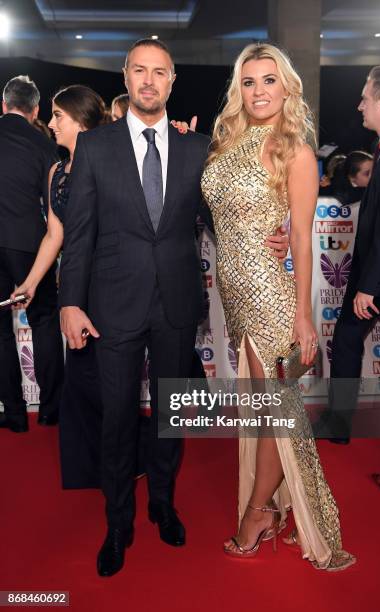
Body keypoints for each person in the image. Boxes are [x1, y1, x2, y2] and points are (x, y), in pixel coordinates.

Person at [57, 38, 217, 578]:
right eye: (140, 71)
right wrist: (70, 303)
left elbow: (225, 220)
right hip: (112, 303)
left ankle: (163, 504)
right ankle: (117, 522)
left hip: (174, 300)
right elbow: (78, 235)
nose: (149, 81)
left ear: (172, 82)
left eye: (160, 73)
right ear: (125, 76)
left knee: (171, 416)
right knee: (118, 419)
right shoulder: (95, 147)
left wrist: (277, 240)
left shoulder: (197, 148)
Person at [201, 43, 355, 570]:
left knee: (274, 410)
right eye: (249, 82)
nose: (259, 91)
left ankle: (258, 512)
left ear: (287, 87)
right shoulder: (227, 141)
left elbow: (303, 236)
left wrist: (304, 314)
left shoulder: (297, 151)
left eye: (269, 81)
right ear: (237, 90)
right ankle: (268, 504)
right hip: (235, 293)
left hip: (271, 294)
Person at [12, 85, 109, 488]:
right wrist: (30, 283)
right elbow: (55, 234)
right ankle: (90, 468)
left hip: (111, 283)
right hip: (75, 286)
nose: (49, 123)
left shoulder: (110, 161)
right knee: (83, 377)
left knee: (109, 378)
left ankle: (118, 460)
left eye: (58, 116)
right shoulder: (56, 170)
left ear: (81, 121)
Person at [324, 65, 380, 445]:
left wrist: (370, 287)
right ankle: (338, 424)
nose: (359, 106)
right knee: (345, 338)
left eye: (365, 97)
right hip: (377, 277)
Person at [0, 75, 64, 432]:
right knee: (43, 321)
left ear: (4, 104)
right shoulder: (44, 145)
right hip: (30, 246)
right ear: (36, 109)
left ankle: (12, 412)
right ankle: (51, 409)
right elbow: (55, 205)